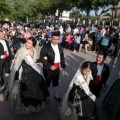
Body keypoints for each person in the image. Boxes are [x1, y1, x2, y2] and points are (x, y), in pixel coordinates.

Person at [8, 37, 49, 114]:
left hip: (34, 73)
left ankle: (36, 106)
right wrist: (16, 78)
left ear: (33, 45)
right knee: (24, 92)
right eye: (27, 42)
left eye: (29, 43)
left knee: (37, 90)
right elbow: (17, 65)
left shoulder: (34, 50)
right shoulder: (21, 51)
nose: (27, 44)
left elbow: (34, 61)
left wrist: (42, 59)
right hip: (24, 73)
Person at [39, 31, 66, 102]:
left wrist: (63, 65)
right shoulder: (46, 47)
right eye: (54, 39)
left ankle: (56, 95)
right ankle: (46, 96)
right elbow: (41, 58)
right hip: (48, 70)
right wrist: (49, 66)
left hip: (57, 68)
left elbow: (62, 56)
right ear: (51, 38)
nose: (56, 41)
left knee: (56, 82)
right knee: (47, 83)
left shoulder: (59, 46)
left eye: (57, 39)